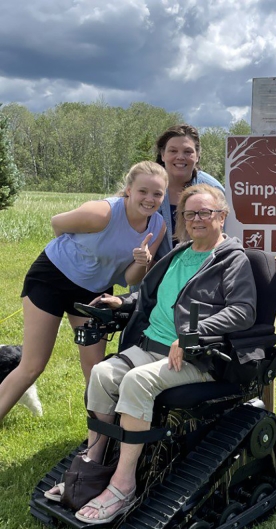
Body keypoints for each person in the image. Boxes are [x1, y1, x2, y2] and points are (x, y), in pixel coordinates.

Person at [45, 184, 256, 524]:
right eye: (190, 213)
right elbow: (152, 296)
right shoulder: (181, 252)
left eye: (205, 212)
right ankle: (93, 463)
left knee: (135, 382)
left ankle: (123, 484)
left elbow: (242, 311)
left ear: (222, 216)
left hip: (197, 358)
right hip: (151, 347)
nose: (197, 219)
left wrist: (191, 335)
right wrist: (123, 302)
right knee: (101, 374)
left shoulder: (232, 259)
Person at [0, 161, 167, 423]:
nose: (150, 199)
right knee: (33, 365)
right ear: (128, 190)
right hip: (52, 278)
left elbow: (129, 278)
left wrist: (143, 261)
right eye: (143, 191)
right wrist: (78, 256)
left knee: (96, 369)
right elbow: (58, 224)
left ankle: (102, 433)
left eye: (157, 194)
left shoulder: (158, 226)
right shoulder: (102, 213)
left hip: (94, 291)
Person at [151, 123, 225, 260]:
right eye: (173, 151)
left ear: (197, 156)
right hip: (155, 272)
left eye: (188, 152)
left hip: (202, 271)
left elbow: (224, 236)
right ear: (162, 155)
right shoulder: (147, 186)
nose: (180, 157)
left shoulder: (214, 190)